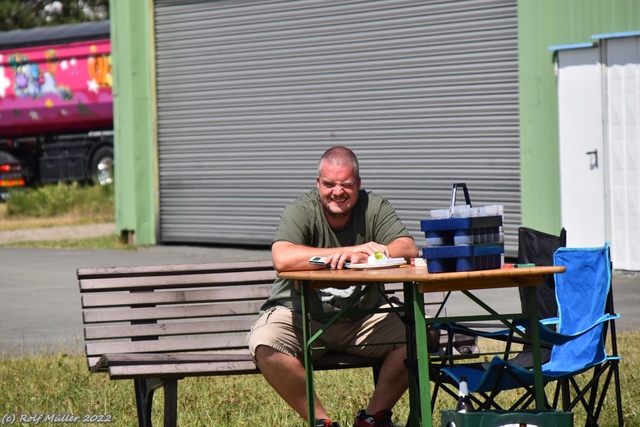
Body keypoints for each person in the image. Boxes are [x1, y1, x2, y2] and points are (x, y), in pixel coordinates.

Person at [247, 146, 426, 427]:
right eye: (329, 184)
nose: (337, 192)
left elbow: (408, 248)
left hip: (363, 320)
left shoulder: (375, 206)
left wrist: (369, 255)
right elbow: (282, 257)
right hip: (301, 317)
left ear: (358, 183)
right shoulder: (301, 210)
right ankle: (322, 423)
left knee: (420, 336)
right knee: (265, 343)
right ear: (318, 183)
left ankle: (371, 419)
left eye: (346, 185)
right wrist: (346, 251)